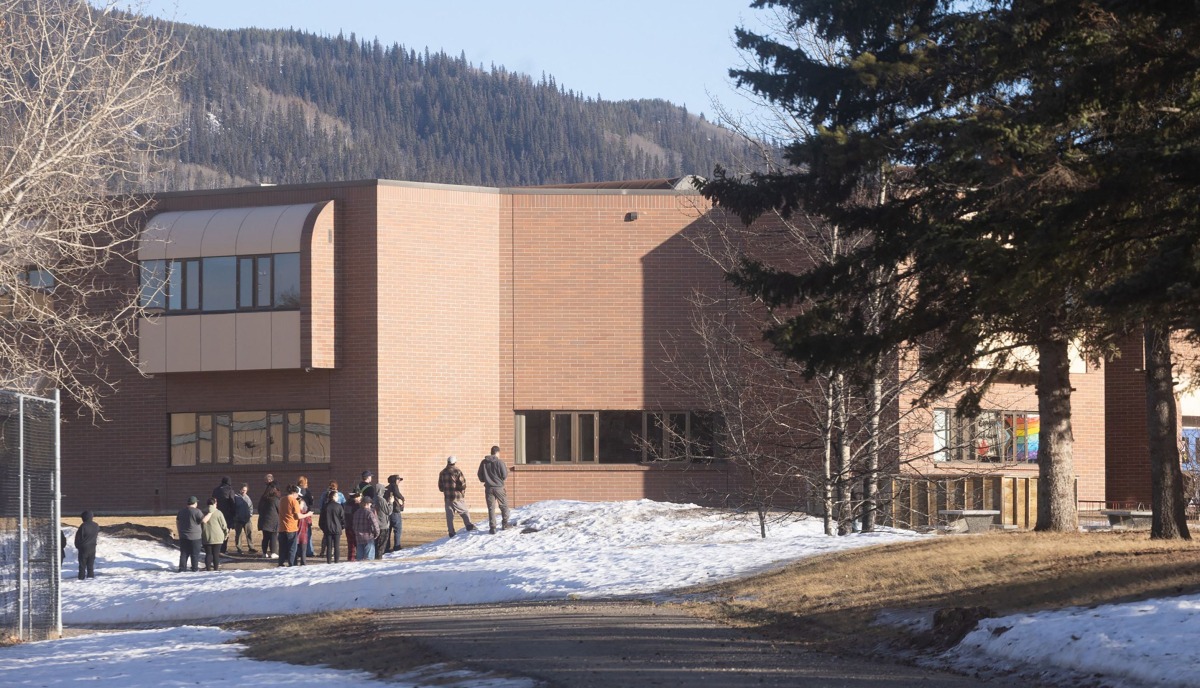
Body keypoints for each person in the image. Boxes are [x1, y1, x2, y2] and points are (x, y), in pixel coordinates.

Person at [438, 455, 476, 537]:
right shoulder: (457, 471)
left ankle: (451, 532)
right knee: (464, 511)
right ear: (455, 462)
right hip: (457, 497)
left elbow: (440, 487)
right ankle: (469, 525)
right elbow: (462, 484)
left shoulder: (442, 472)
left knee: (449, 516)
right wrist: (461, 490)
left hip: (447, 497)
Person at [478, 445, 511, 534]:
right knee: (504, 505)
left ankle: (492, 527)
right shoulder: (500, 462)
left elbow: (480, 475)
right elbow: (504, 475)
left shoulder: (484, 462)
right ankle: (505, 523)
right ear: (497, 452)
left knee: (491, 508)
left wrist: (485, 480)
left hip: (488, 488)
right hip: (499, 487)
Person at [176, 496, 208, 572]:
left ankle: (182, 569)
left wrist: (179, 531)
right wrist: (210, 513)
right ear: (195, 503)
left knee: (184, 554)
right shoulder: (197, 511)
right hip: (195, 537)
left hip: (183, 535)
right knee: (194, 554)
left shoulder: (181, 511)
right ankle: (194, 568)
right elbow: (204, 521)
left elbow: (177, 522)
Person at [277, 484, 307, 567]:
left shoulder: (282, 499)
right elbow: (298, 516)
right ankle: (291, 564)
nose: (297, 496)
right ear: (295, 493)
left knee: (282, 548)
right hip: (291, 528)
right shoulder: (294, 501)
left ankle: (281, 563)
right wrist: (307, 514)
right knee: (292, 548)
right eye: (297, 494)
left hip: (282, 527)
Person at [202, 497, 229, 571]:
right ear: (214, 503)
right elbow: (223, 525)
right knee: (216, 554)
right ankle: (216, 569)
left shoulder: (203, 512)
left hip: (206, 536)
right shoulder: (218, 512)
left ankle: (208, 569)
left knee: (208, 554)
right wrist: (226, 533)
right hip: (218, 536)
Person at [351, 489, 379, 560]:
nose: (371, 505)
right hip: (368, 537)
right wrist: (377, 533)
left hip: (358, 537)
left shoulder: (356, 512)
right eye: (370, 503)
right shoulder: (369, 513)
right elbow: (375, 524)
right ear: (367, 503)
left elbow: (354, 525)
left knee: (359, 558)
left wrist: (356, 533)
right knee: (369, 558)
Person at [211, 477, 237, 553]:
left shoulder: (215, 490)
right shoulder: (230, 490)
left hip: (216, 512)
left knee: (217, 530)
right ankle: (223, 549)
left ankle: (216, 548)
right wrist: (234, 513)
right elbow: (232, 502)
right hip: (227, 514)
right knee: (225, 531)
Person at [319, 488, 345, 564]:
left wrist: (324, 528)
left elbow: (321, 520)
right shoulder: (339, 507)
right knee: (336, 546)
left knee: (329, 546)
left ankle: (329, 561)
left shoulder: (325, 507)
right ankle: (336, 561)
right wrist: (341, 527)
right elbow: (343, 518)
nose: (338, 497)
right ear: (333, 497)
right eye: (336, 496)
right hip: (337, 529)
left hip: (327, 529)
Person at [368, 485, 392, 560]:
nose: (384, 492)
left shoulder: (374, 499)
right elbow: (388, 511)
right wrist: (391, 503)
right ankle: (378, 559)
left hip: (376, 525)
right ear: (380, 491)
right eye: (383, 490)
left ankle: (376, 558)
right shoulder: (381, 500)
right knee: (381, 545)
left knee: (376, 544)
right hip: (383, 525)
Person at [257, 482, 281, 558]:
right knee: (273, 536)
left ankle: (264, 552)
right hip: (273, 521)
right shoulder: (275, 499)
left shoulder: (263, 498)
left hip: (264, 520)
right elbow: (279, 509)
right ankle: (273, 552)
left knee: (265, 537)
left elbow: (259, 509)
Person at [73, 511, 99, 580]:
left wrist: (78, 546)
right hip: (93, 547)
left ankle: (81, 578)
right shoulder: (96, 525)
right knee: (90, 565)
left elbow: (78, 537)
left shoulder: (83, 526)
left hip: (83, 548)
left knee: (82, 565)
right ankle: (90, 578)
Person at [384, 474, 406, 551]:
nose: (399, 481)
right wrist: (402, 498)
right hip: (395, 511)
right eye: (399, 480)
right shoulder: (394, 486)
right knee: (397, 529)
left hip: (387, 512)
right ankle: (397, 546)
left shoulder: (386, 488)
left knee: (388, 530)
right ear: (395, 480)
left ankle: (386, 547)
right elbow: (397, 494)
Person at [297, 475, 316, 558]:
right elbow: (311, 502)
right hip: (306, 513)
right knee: (308, 533)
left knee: (298, 533)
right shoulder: (307, 491)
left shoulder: (296, 490)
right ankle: (309, 551)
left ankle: (298, 551)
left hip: (297, 514)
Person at [233, 483, 255, 552]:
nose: (243, 491)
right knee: (238, 534)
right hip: (238, 519)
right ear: (240, 489)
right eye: (242, 490)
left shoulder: (247, 498)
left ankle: (251, 547)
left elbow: (251, 507)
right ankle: (239, 548)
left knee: (249, 533)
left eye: (245, 490)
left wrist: (250, 515)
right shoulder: (236, 497)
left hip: (247, 519)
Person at [344, 491, 360, 562]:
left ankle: (350, 558)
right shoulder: (357, 506)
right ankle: (357, 558)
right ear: (356, 497)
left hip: (348, 526)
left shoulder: (346, 504)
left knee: (350, 544)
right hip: (355, 527)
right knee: (357, 544)